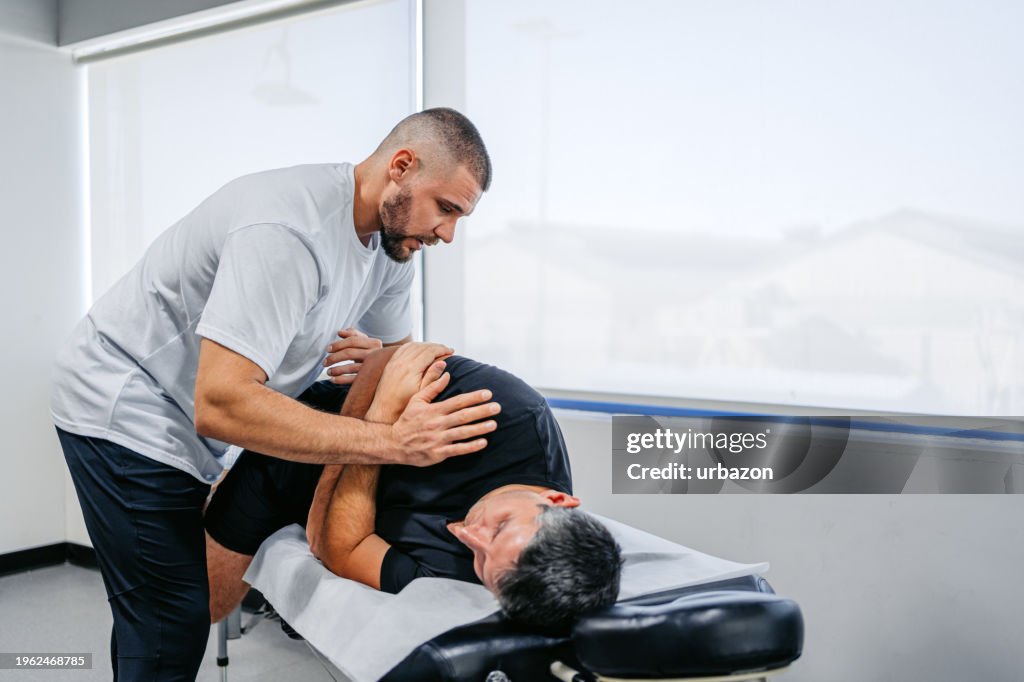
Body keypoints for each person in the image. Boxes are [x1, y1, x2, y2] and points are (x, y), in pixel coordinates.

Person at [50, 108, 497, 681]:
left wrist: (380, 360)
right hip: (124, 399)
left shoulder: (391, 248)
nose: (448, 233)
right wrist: (392, 442)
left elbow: (399, 361)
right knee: (171, 617)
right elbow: (221, 403)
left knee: (161, 608)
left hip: (187, 412)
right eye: (447, 208)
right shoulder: (289, 229)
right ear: (401, 167)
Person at [205, 344, 623, 632]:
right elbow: (389, 360)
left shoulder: (482, 575)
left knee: (211, 604)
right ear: (557, 500)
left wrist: (382, 420)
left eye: (480, 560)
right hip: (298, 445)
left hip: (332, 482)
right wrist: (378, 431)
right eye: (498, 528)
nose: (467, 535)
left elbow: (333, 548)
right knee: (202, 603)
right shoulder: (506, 411)